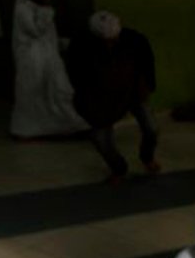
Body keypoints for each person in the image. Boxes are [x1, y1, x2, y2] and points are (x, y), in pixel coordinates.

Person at [67, 11, 159, 181]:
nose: (110, 44)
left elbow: (147, 64)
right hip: (100, 96)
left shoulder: (135, 41)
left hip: (132, 90)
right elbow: (76, 75)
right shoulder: (81, 46)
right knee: (101, 139)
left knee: (151, 129)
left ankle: (147, 157)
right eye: (106, 42)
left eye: (113, 40)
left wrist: (147, 86)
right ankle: (118, 167)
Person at [9, 0, 88, 139]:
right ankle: (31, 129)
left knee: (59, 89)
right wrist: (46, 15)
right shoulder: (23, 10)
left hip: (49, 56)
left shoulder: (41, 8)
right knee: (36, 92)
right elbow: (35, 31)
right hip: (33, 59)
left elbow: (48, 35)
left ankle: (67, 124)